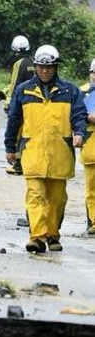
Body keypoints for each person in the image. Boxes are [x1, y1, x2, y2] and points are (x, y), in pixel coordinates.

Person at [4, 44, 86, 252]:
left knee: (57, 199)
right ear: (36, 67)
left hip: (61, 154)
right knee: (35, 194)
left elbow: (79, 115)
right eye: (41, 67)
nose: (45, 71)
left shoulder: (70, 91)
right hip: (33, 152)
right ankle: (37, 237)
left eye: (49, 67)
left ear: (56, 68)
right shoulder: (24, 91)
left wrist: (79, 133)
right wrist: (10, 147)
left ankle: (52, 234)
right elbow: (14, 120)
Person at [0, 35, 34, 175]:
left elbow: (15, 85)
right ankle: (26, 162)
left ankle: (18, 166)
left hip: (20, 105)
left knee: (17, 135)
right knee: (27, 133)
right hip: (32, 104)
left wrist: (9, 104)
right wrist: (3, 92)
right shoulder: (32, 62)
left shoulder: (18, 64)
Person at [80, 59, 95, 235]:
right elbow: (75, 114)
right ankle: (92, 221)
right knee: (91, 188)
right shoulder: (82, 92)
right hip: (90, 146)